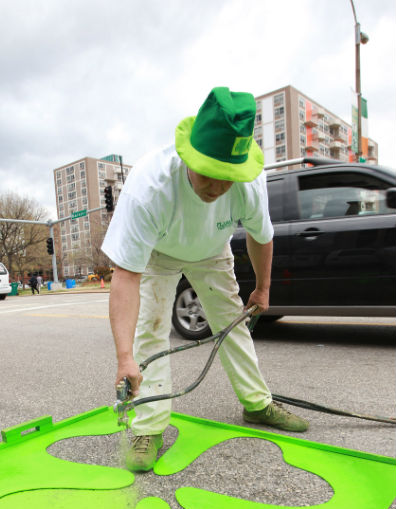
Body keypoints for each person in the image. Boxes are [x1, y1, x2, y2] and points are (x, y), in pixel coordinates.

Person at [102, 87, 308, 473]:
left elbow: (261, 236)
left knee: (233, 325)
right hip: (159, 255)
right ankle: (148, 427)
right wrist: (124, 358)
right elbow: (126, 275)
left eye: (228, 178)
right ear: (188, 157)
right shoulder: (149, 188)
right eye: (210, 175)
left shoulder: (249, 182)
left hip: (213, 251)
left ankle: (257, 403)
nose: (218, 188)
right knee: (152, 329)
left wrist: (262, 288)